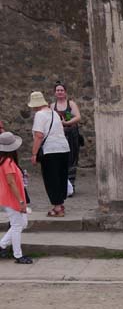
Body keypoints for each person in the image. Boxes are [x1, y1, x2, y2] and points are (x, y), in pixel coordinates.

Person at [29, 90, 70, 217]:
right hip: (63, 148)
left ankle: (57, 208)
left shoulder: (40, 115)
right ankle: (60, 203)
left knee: (51, 178)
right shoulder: (54, 113)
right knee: (61, 177)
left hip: (50, 150)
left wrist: (34, 153)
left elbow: (39, 135)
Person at [0, 130, 32, 264]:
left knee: (21, 223)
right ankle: (18, 255)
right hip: (12, 198)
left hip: (8, 197)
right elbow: (11, 183)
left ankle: (2, 245)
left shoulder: (4, 161)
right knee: (18, 225)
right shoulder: (8, 162)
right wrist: (20, 201)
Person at [51, 81, 82, 192]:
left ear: (65, 92)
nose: (59, 92)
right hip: (58, 136)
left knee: (71, 159)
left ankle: (71, 186)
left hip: (71, 135)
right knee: (59, 159)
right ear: (55, 93)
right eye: (58, 90)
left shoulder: (71, 104)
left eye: (61, 90)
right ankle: (61, 185)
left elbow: (78, 117)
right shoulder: (52, 106)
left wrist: (67, 123)